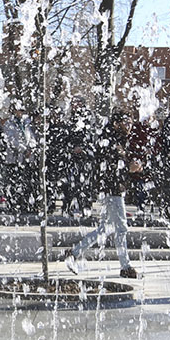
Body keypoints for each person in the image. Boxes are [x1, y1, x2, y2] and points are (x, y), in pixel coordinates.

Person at [65, 111, 139, 279]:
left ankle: (74, 252)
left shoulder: (116, 139)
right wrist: (129, 167)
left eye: (129, 122)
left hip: (112, 189)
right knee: (121, 228)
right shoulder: (109, 140)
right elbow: (109, 166)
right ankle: (125, 266)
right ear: (116, 124)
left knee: (105, 229)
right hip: (111, 190)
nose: (129, 125)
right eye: (125, 122)